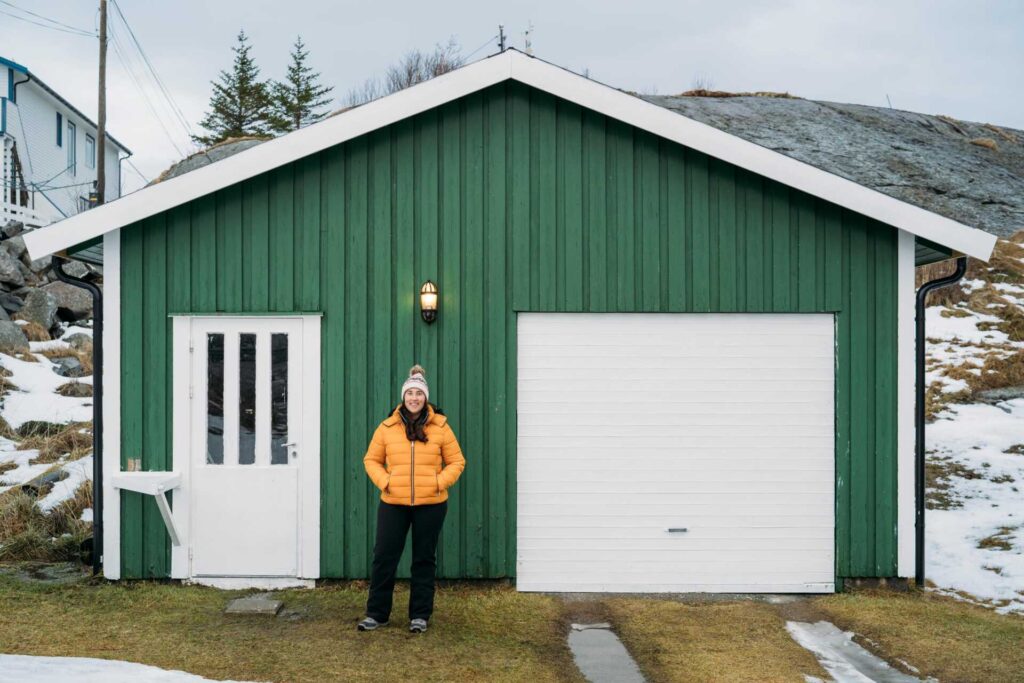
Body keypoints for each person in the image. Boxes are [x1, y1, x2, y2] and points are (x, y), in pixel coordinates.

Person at [357, 364, 466, 633]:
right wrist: (386, 482)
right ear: (403, 397)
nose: (414, 398)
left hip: (432, 505)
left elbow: (457, 461)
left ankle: (419, 615)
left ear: (425, 397)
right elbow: (371, 460)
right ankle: (377, 614)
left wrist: (438, 482)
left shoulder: (441, 427)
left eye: (419, 393)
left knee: (423, 559)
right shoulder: (387, 427)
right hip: (393, 503)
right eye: (410, 393)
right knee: (384, 557)